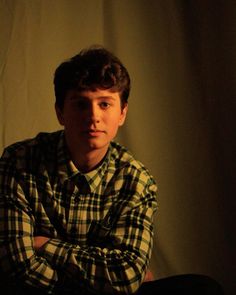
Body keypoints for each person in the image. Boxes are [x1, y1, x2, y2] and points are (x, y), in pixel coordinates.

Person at [0, 46, 223, 295]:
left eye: (105, 104)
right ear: (60, 112)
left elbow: (127, 274)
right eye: (80, 104)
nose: (93, 116)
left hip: (82, 287)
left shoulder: (136, 180)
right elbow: (18, 262)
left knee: (203, 289)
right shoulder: (19, 161)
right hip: (45, 291)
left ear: (122, 113)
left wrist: (47, 245)